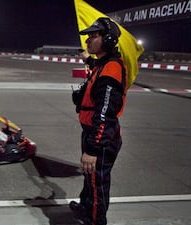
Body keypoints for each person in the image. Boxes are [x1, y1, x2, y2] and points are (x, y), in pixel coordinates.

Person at [70, 17, 127, 225]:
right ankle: (86, 208)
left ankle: (96, 220)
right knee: (90, 178)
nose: (87, 40)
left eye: (93, 36)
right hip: (92, 132)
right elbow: (94, 63)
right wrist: (87, 58)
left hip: (101, 137)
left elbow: (105, 114)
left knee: (97, 182)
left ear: (109, 40)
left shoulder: (111, 70)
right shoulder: (102, 64)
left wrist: (93, 149)